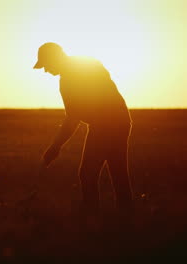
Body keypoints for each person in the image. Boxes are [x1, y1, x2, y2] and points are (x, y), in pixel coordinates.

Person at [33, 42, 133, 222]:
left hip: (107, 124)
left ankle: (91, 217)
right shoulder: (85, 65)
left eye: (46, 65)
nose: (46, 71)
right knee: (118, 172)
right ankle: (126, 218)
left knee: (88, 173)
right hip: (118, 121)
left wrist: (55, 147)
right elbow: (76, 115)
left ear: (54, 59)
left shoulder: (71, 78)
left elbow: (73, 118)